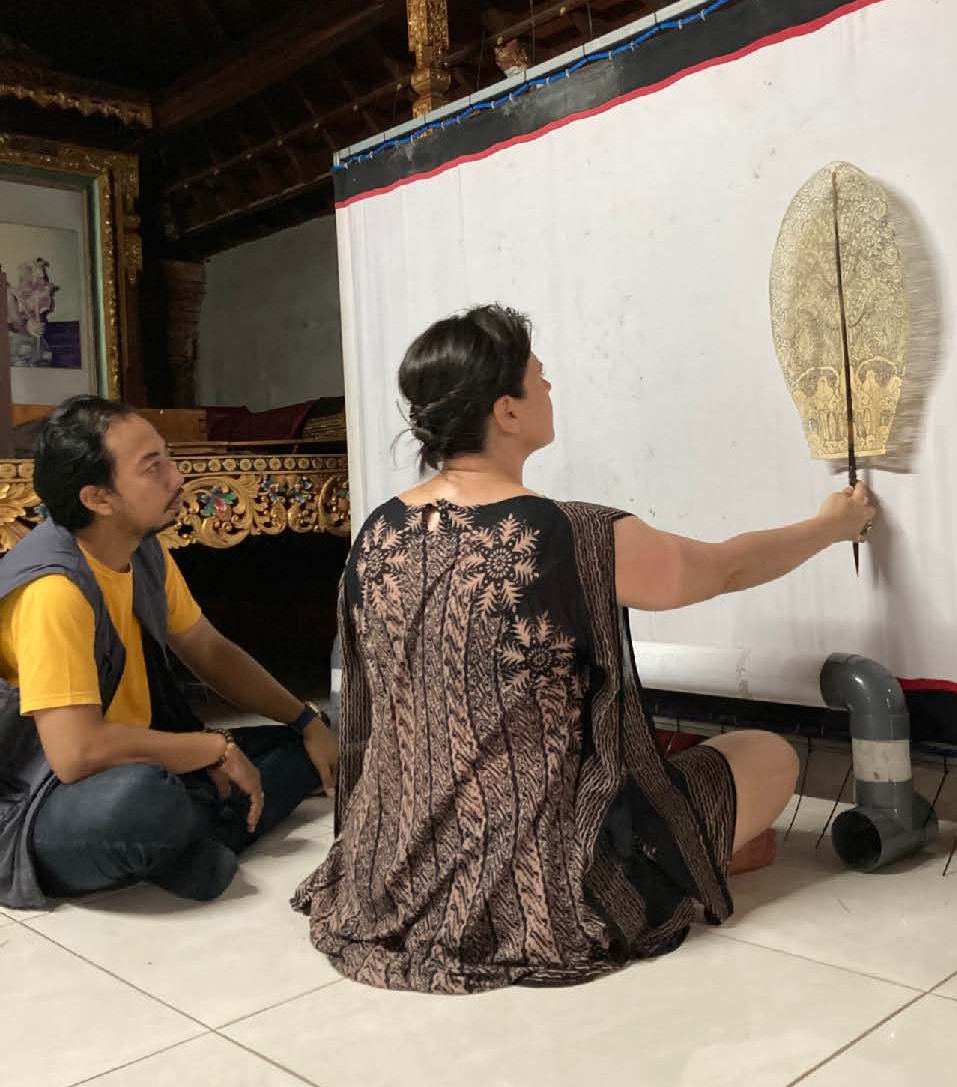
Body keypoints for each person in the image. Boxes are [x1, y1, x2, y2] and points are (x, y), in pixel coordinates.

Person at [294, 305, 875, 994]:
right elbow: (725, 568)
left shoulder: (377, 534)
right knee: (770, 754)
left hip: (392, 861)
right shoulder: (573, 536)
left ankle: (717, 845)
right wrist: (829, 525)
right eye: (540, 379)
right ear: (506, 411)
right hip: (552, 878)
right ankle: (703, 853)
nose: (550, 389)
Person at [0, 396, 339, 910]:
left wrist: (307, 721)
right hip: (41, 797)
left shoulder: (142, 548)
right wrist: (213, 750)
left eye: (167, 456)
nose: (176, 476)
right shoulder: (54, 591)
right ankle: (195, 830)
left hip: (142, 754)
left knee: (309, 742)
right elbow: (76, 755)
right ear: (98, 497)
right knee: (140, 803)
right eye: (151, 466)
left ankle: (191, 838)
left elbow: (208, 649)